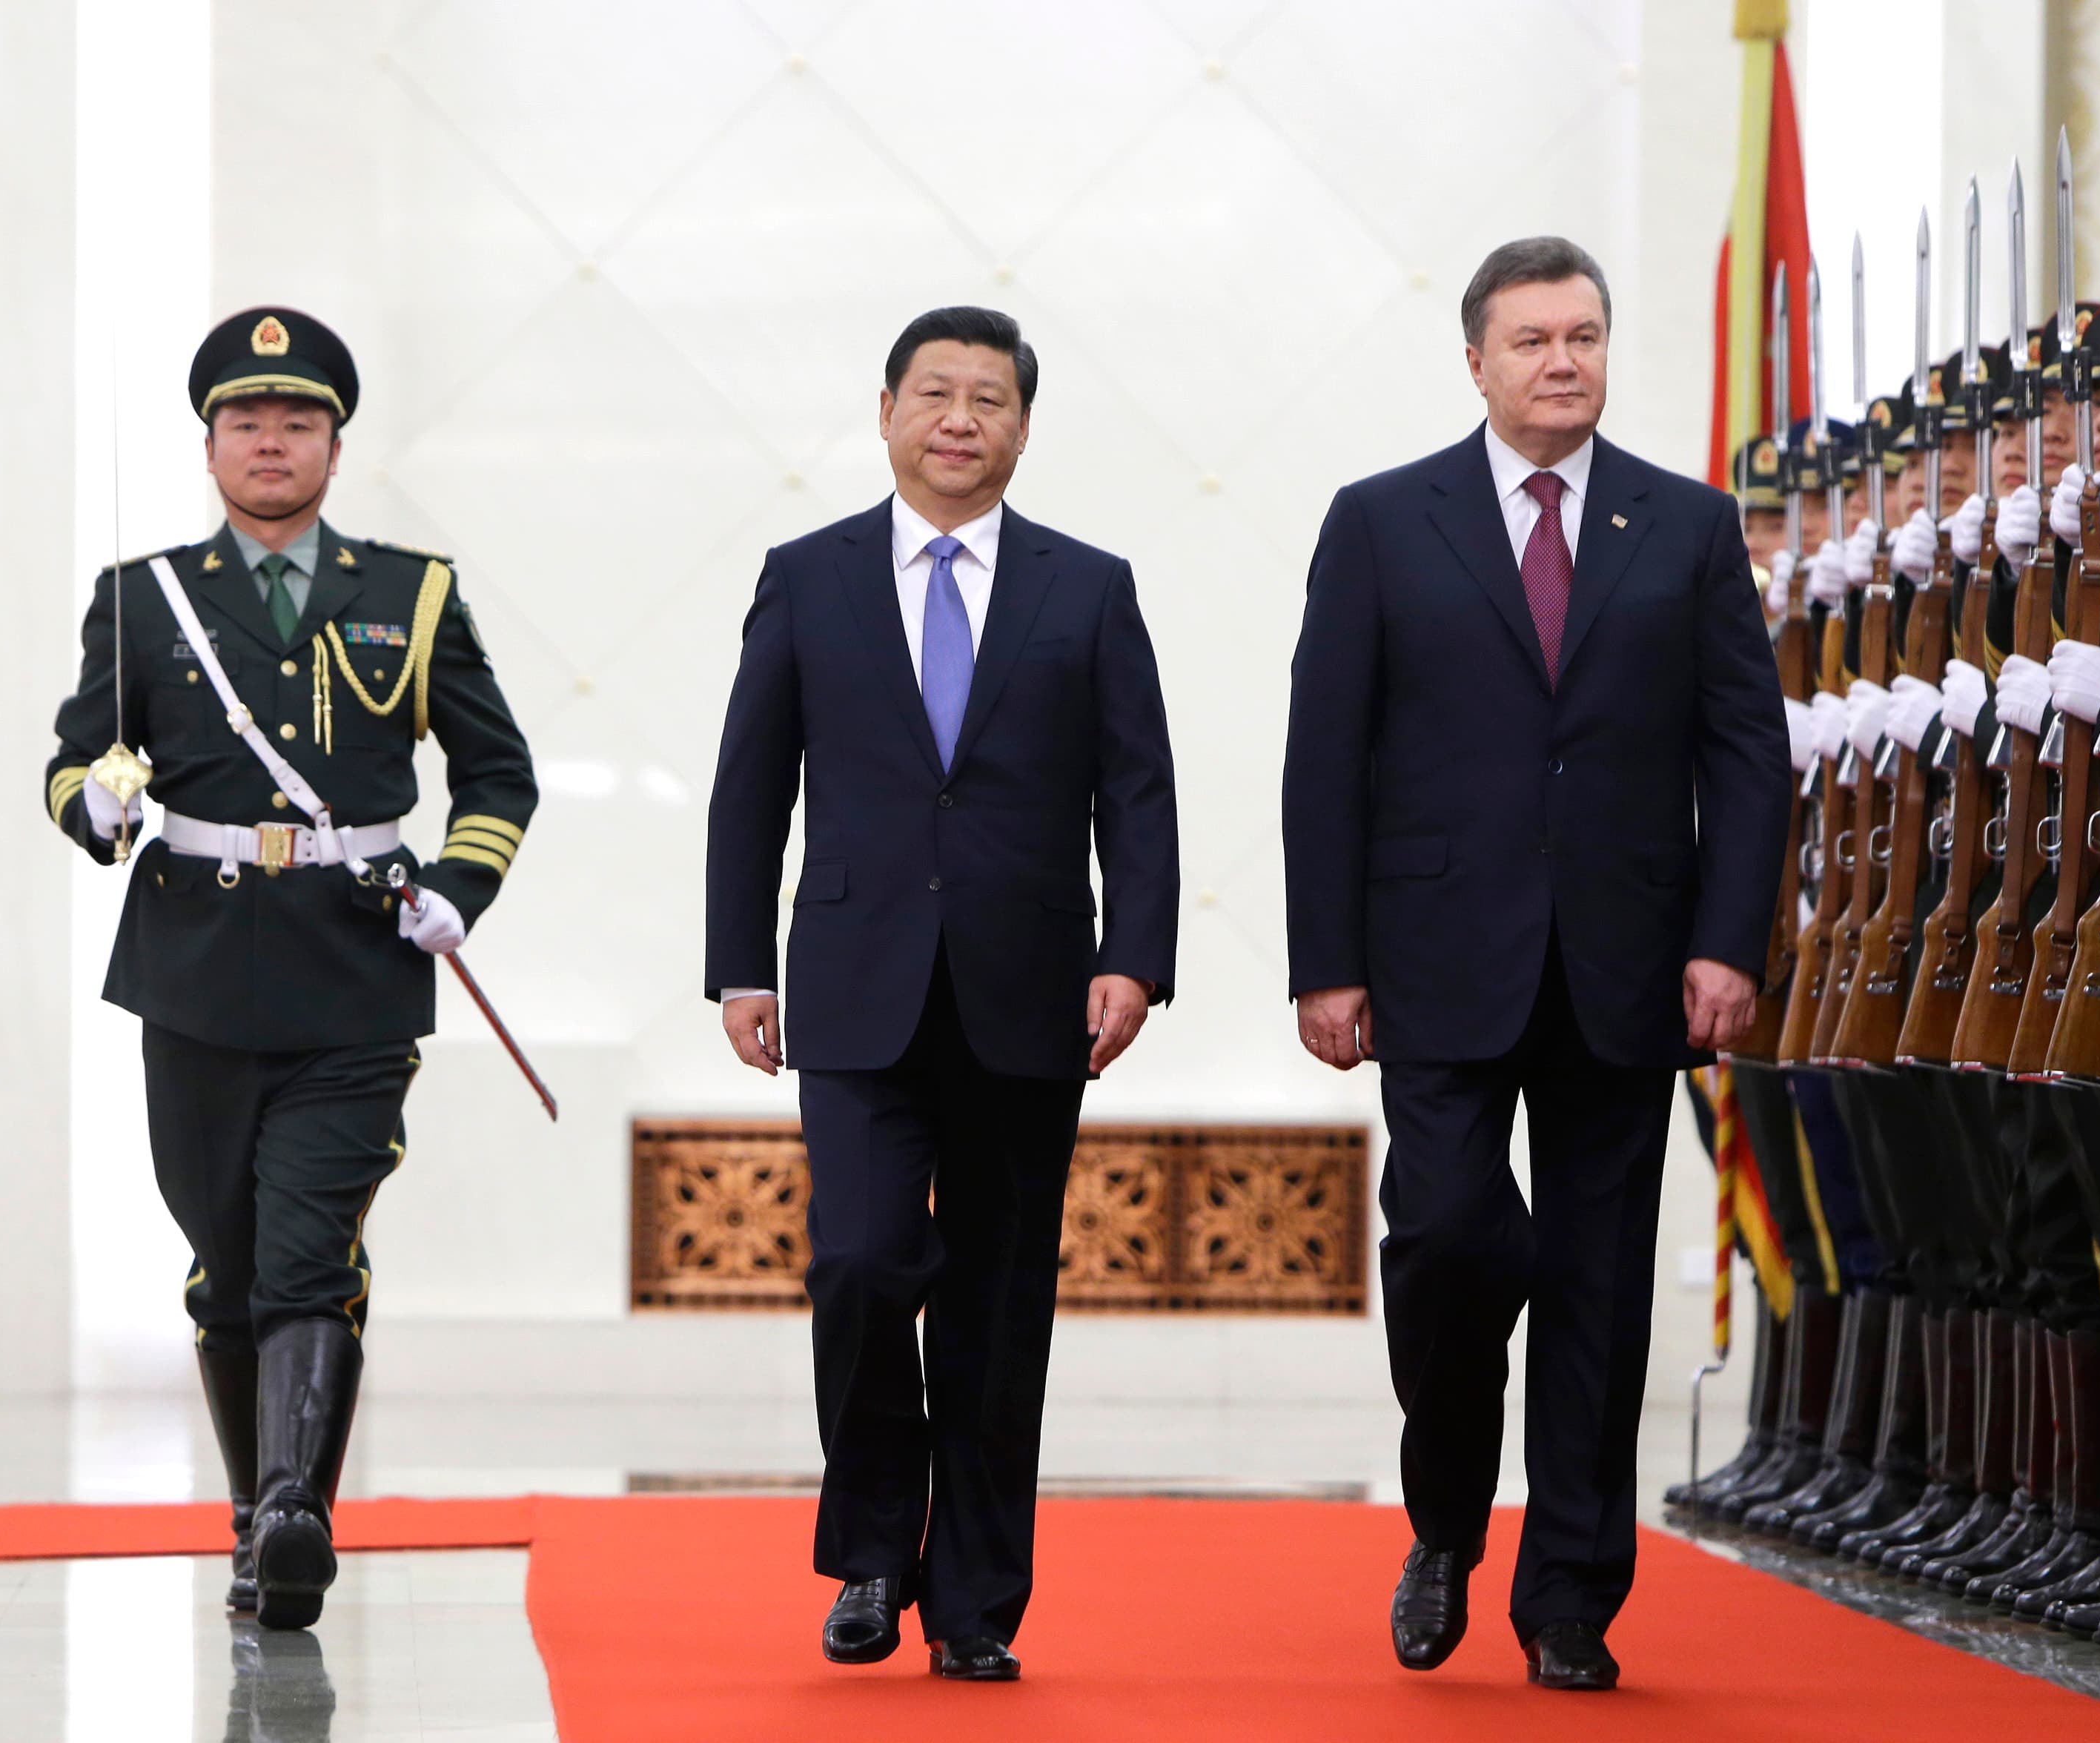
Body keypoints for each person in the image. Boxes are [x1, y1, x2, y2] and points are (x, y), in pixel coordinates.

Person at [1281, 237, 1789, 1692]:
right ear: (1477, 362)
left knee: (1596, 1283)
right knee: (1446, 1235)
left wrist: (1725, 941)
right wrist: (1327, 961)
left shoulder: (1684, 526)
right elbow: (1328, 756)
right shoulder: (1382, 522)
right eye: (1532, 340)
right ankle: (1443, 1521)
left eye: (1583, 336)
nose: (1562, 361)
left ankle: (1571, 1595)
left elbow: (1743, 751)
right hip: (1434, 958)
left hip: (1629, 965)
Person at [43, 306, 537, 1631]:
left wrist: (458, 886)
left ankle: (292, 1513)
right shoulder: (142, 599)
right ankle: (256, 1511)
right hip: (192, 966)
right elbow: (74, 759)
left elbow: (499, 771)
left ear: (334, 444)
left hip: (354, 972)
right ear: (210, 445)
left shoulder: (409, 593)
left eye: (298, 422)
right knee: (229, 1264)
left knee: (313, 1253)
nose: (272, 441)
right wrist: (92, 804)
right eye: (247, 422)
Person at [703, 305, 1179, 1683]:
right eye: (936, 393)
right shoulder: (811, 575)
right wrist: (742, 962)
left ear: (1025, 427)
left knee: (996, 1298)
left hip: (1031, 996)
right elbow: (754, 783)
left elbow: (1135, 792)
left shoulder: (1087, 588)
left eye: (990, 399)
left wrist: (1133, 956)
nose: (960, 418)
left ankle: (973, 1598)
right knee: (856, 1263)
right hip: (852, 992)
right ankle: (868, 1551)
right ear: (889, 411)